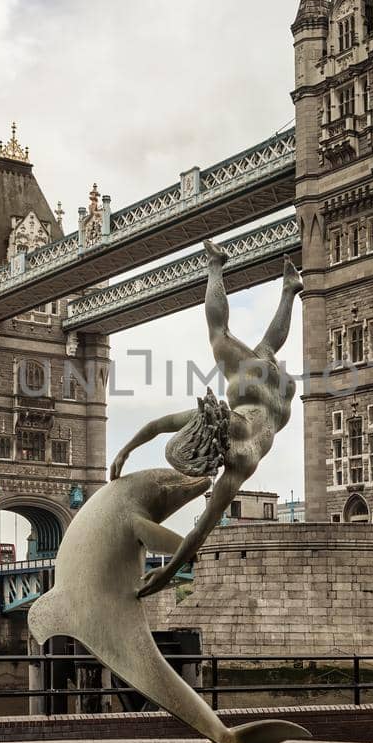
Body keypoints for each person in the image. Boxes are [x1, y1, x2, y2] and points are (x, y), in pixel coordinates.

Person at [111, 239, 301, 597]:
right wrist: (125, 450)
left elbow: (199, 534)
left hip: (280, 405)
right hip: (260, 388)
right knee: (221, 336)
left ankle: (289, 289)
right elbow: (158, 425)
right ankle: (216, 265)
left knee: (264, 347)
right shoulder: (222, 420)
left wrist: (167, 574)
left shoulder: (239, 467)